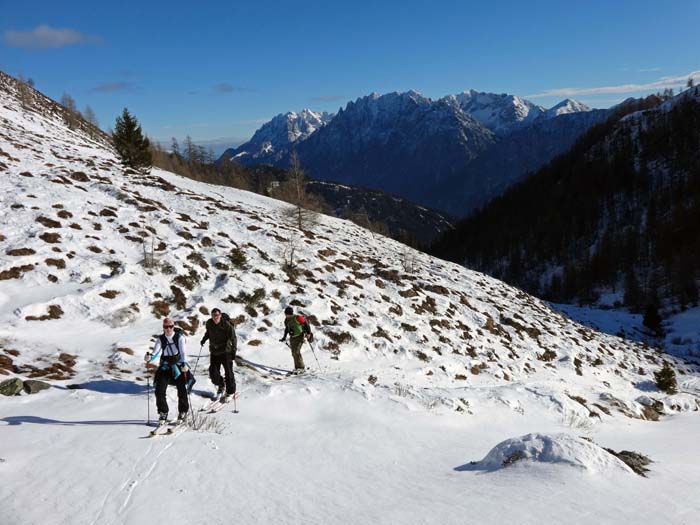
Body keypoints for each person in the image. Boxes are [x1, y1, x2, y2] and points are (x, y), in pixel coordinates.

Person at [144, 318, 190, 424]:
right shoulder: (161, 339)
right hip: (165, 366)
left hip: (178, 365)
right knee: (159, 390)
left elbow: (183, 352)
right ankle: (163, 412)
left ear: (173, 326)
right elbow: (155, 352)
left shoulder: (179, 337)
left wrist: (184, 363)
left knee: (182, 389)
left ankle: (183, 411)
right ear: (163, 327)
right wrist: (149, 357)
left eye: (170, 326)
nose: (168, 329)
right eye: (166, 327)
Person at [200, 308, 237, 401]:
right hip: (214, 351)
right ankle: (221, 385)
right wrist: (204, 339)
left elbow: (234, 338)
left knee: (228, 372)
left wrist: (233, 351)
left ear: (220, 315)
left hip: (225, 352)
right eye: (213, 315)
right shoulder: (209, 323)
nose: (215, 317)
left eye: (217, 315)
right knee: (213, 372)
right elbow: (208, 333)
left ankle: (230, 392)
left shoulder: (226, 325)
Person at [279, 306, 313, 373]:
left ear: (289, 313)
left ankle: (301, 368)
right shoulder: (286, 320)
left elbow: (306, 324)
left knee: (296, 352)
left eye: (286, 314)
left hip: (300, 336)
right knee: (294, 353)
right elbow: (287, 329)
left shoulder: (298, 318)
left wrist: (308, 333)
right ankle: (297, 368)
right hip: (292, 337)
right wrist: (284, 337)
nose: (285, 315)